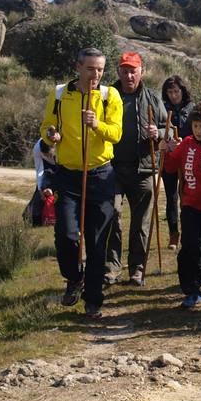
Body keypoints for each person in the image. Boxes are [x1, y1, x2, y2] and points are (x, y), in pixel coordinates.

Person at [40, 47, 123, 319]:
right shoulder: (60, 94)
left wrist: (97, 124)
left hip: (101, 175)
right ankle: (75, 278)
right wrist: (52, 134)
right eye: (90, 69)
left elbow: (116, 134)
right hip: (68, 174)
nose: (95, 74)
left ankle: (93, 300)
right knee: (66, 233)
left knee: (97, 241)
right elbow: (47, 126)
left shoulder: (110, 96)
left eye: (100, 69)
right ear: (78, 67)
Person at [107, 52, 166, 287]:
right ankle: (111, 268)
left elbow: (170, 128)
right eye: (125, 71)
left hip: (144, 169)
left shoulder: (153, 98)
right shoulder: (107, 96)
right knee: (111, 216)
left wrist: (158, 133)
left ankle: (137, 269)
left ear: (142, 71)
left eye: (133, 71)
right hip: (111, 169)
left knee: (141, 223)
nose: (129, 75)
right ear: (118, 72)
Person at [162, 102, 201, 310]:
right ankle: (193, 290)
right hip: (190, 206)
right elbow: (170, 167)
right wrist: (167, 151)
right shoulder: (186, 143)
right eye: (196, 126)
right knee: (189, 248)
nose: (199, 130)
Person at [160, 75, 192, 250]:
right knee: (171, 197)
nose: (173, 95)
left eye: (176, 91)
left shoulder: (192, 109)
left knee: (187, 196)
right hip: (169, 158)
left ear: (182, 91)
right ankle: (173, 234)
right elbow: (160, 130)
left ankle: (188, 230)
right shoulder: (163, 109)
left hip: (188, 158)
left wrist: (184, 142)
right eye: (170, 92)